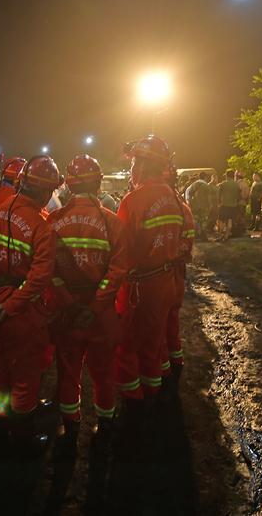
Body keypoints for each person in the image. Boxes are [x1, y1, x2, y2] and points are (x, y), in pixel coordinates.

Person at [0, 155, 62, 454]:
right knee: (25, 379)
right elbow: (39, 280)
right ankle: (22, 441)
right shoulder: (42, 227)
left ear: (21, 183)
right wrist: (8, 308)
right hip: (21, 314)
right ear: (48, 192)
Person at [48, 155, 128, 454]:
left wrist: (70, 304)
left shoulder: (53, 222)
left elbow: (49, 273)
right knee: (103, 372)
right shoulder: (112, 222)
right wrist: (95, 307)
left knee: (68, 370)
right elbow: (117, 271)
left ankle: (69, 426)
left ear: (68, 184)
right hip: (101, 314)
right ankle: (105, 425)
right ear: (98, 184)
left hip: (66, 313)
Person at [114, 135, 184, 433]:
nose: (131, 169)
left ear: (143, 164)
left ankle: (134, 406)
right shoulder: (172, 196)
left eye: (133, 163)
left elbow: (122, 250)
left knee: (128, 345)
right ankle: (154, 398)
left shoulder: (133, 200)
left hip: (143, 285)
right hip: (167, 279)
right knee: (154, 343)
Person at [161, 163, 194, 389]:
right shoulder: (184, 210)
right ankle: (176, 362)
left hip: (156, 279)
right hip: (176, 276)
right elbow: (187, 246)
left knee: (157, 328)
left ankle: (164, 372)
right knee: (171, 322)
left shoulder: (142, 204)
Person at [216, 170, 241, 241]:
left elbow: (219, 194)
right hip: (233, 206)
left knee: (220, 220)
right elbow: (239, 195)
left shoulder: (223, 184)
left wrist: (218, 203)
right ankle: (226, 236)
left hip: (224, 205)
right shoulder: (236, 184)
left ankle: (221, 235)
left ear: (227, 176)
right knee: (230, 221)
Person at [185, 172, 209, 240]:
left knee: (196, 220)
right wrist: (209, 206)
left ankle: (196, 235)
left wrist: (190, 203)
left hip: (195, 206)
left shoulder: (194, 184)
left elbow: (189, 194)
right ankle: (203, 236)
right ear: (205, 177)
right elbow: (208, 197)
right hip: (203, 206)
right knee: (203, 221)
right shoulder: (205, 185)